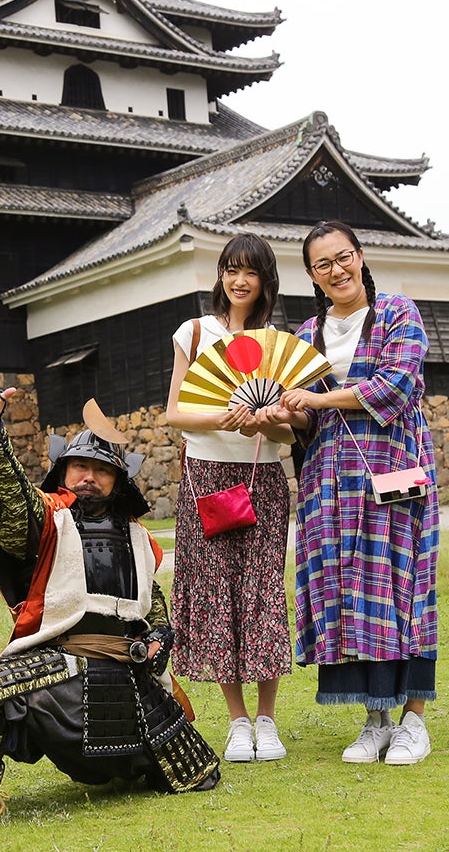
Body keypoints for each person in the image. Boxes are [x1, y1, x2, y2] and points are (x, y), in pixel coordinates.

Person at [0, 365, 221, 830]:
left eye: (101, 470)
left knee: (200, 773)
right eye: (80, 466)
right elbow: (12, 502)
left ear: (118, 479)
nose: (89, 477)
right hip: (58, 662)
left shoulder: (139, 537)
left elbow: (155, 608)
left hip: (126, 669)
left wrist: (161, 640)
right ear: (63, 470)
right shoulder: (46, 519)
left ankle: (132, 764)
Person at [261, 220, 440, 766]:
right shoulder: (309, 333)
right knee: (343, 590)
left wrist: (315, 400)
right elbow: (308, 425)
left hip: (394, 471)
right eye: (322, 264)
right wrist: (288, 413)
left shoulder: (397, 312)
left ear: (359, 257)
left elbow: (396, 385)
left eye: (343, 258)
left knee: (400, 585)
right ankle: (375, 720)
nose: (336, 270)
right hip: (328, 481)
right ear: (311, 274)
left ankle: (414, 721)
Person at [164, 233, 297, 764]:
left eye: (250, 271)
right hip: (206, 477)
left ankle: (268, 721)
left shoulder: (276, 345)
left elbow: (291, 435)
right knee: (218, 593)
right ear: (221, 275)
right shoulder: (194, 333)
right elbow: (174, 412)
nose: (239, 280)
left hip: (263, 476)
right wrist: (221, 417)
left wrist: (273, 419)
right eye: (230, 269)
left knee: (262, 592)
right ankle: (237, 722)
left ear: (265, 280)